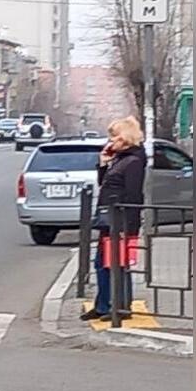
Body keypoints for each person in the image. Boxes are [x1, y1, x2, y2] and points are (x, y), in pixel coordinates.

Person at [80, 116, 146, 322]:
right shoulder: (120, 159)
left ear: (126, 137)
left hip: (121, 223)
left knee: (117, 265)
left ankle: (120, 307)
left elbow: (134, 195)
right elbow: (105, 184)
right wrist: (103, 164)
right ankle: (102, 305)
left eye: (114, 137)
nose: (110, 141)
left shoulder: (133, 161)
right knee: (101, 263)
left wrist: (127, 226)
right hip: (109, 220)